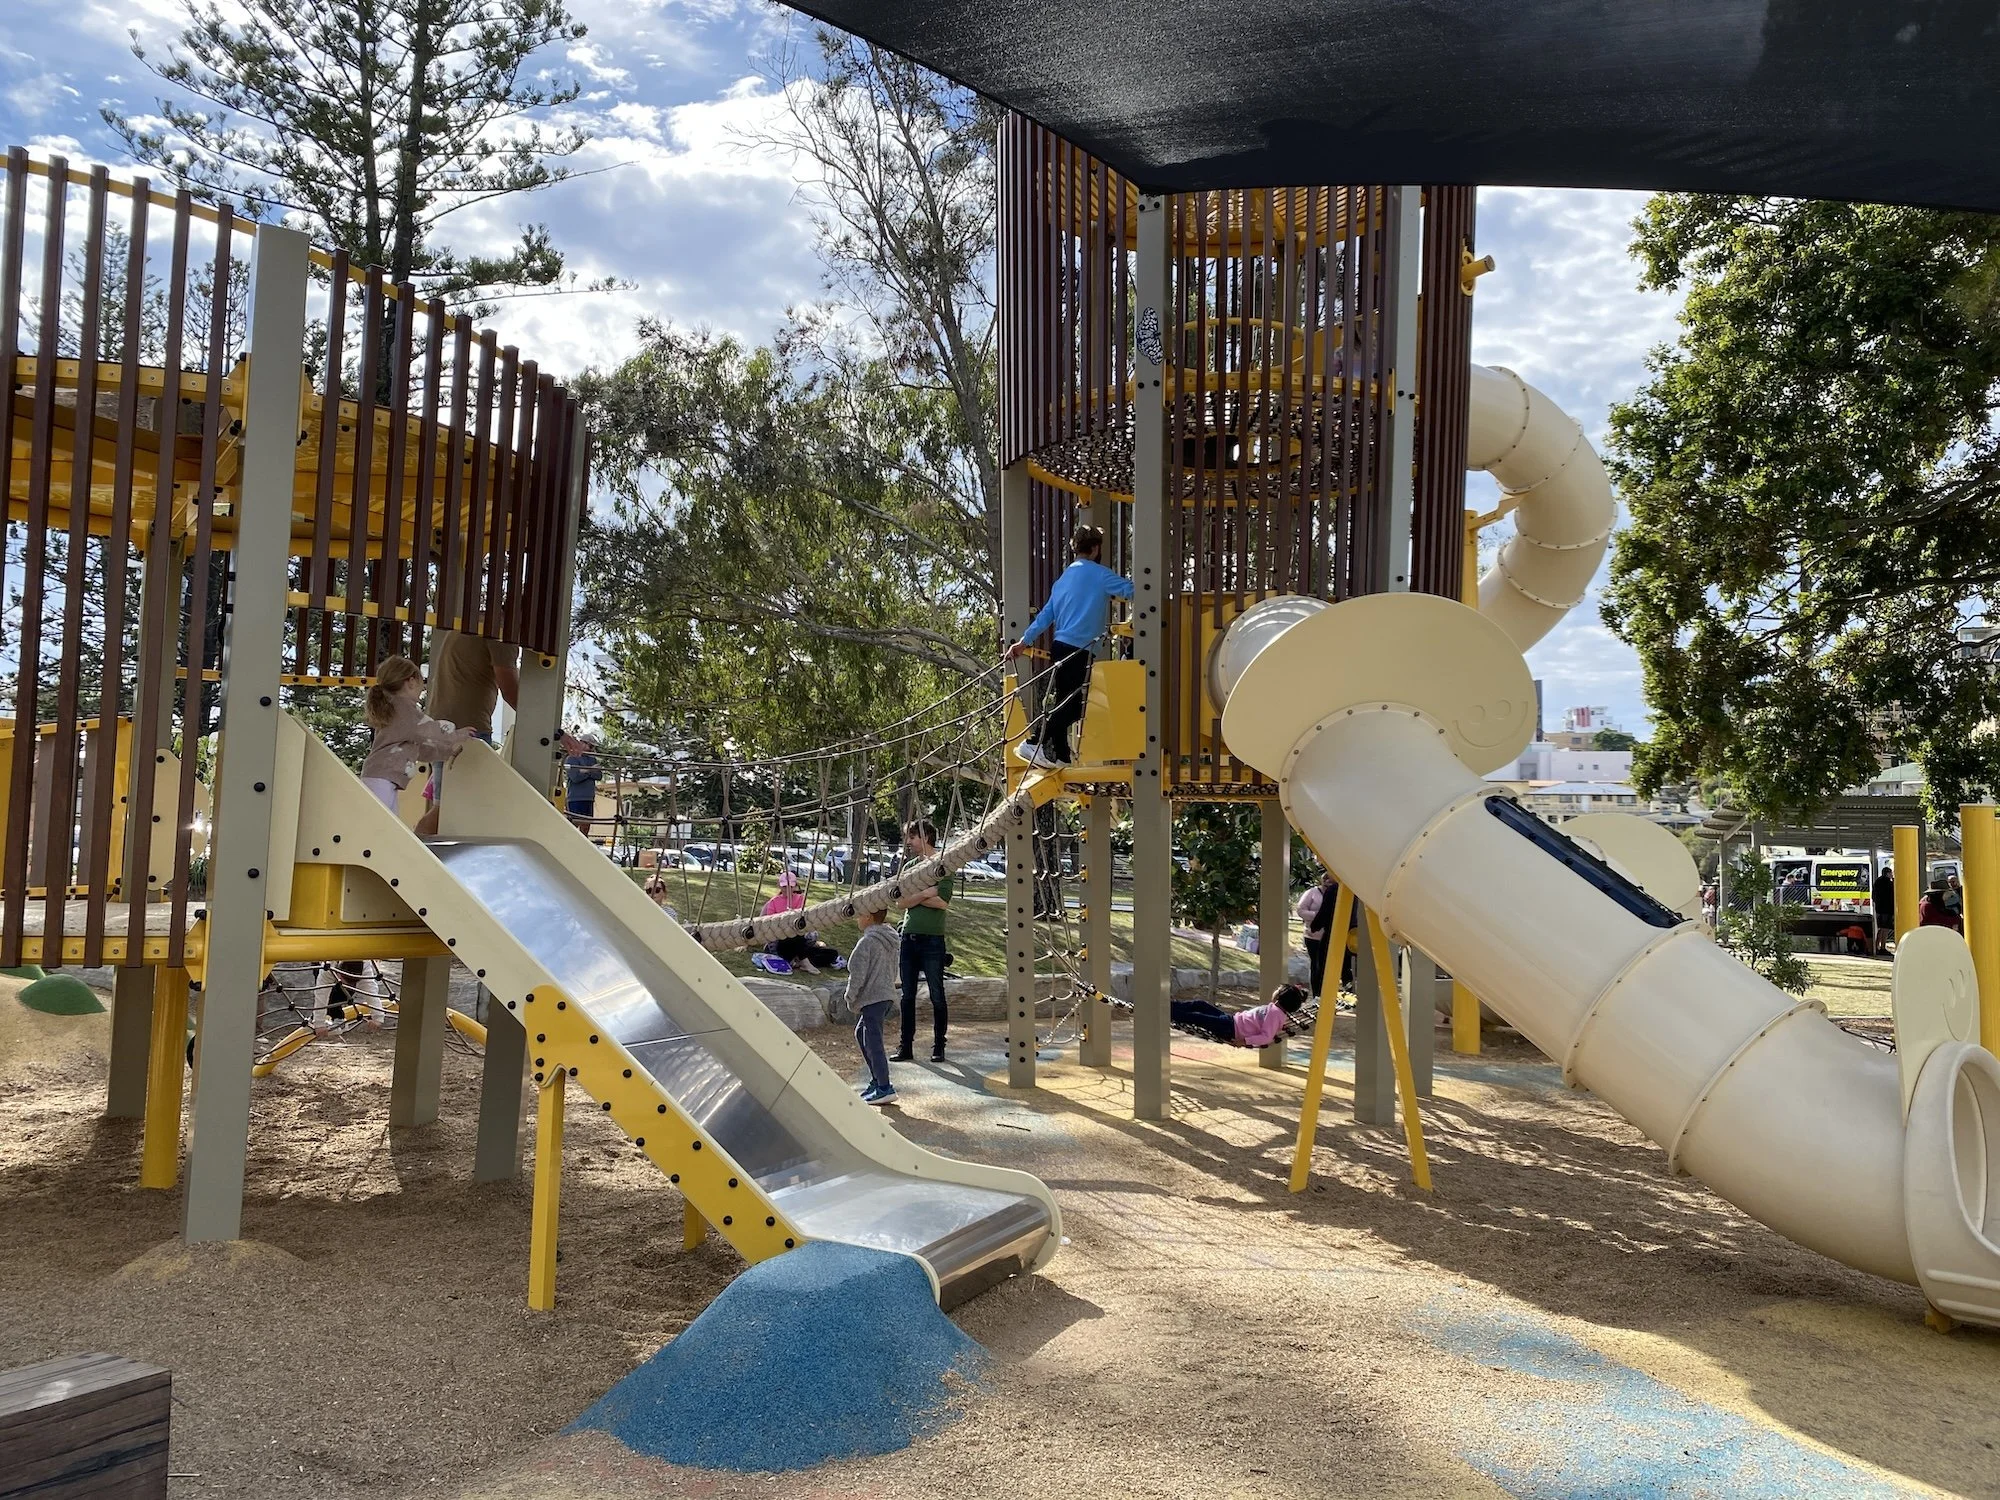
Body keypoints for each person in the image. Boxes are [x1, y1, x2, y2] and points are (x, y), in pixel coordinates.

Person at [1004, 524, 1133, 769]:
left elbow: (1045, 616)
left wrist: (1023, 642)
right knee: (1073, 708)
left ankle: (1062, 757)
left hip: (1060, 647)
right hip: (1079, 649)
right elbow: (1132, 591)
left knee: (1063, 700)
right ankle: (1033, 742)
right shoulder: (1100, 574)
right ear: (1095, 548)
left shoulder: (1062, 580)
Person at [360, 655, 475, 813]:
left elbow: (419, 749)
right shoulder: (404, 710)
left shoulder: (394, 710)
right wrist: (456, 735)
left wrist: (447, 752)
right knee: (380, 822)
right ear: (411, 681)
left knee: (387, 823)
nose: (422, 690)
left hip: (381, 776)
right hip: (381, 778)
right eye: (422, 684)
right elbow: (428, 729)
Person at [892, 819, 952, 1062]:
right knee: (907, 995)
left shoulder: (944, 864)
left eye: (912, 837)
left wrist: (914, 896)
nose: (908, 842)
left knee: (937, 993)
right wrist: (927, 892)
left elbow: (943, 902)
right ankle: (905, 1046)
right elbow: (900, 902)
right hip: (909, 937)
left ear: (926, 837)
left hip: (932, 940)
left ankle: (939, 1046)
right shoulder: (910, 867)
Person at [1114, 983, 1309, 1047]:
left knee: (1197, 1017)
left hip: (1231, 1029)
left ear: (1280, 996)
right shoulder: (1278, 1013)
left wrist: (1244, 1041)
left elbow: (1266, 1036)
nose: (1274, 991)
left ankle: (1162, 1011)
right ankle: (1166, 1005)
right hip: (1231, 1020)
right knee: (1200, 1005)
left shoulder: (1276, 1012)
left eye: (1277, 990)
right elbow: (1271, 1027)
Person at [844, 907, 901, 1105]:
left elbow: (857, 974)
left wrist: (850, 997)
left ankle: (884, 1087)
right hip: (885, 995)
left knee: (873, 1040)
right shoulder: (891, 940)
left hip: (872, 997)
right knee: (862, 1033)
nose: (857, 919)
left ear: (868, 917)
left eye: (859, 915)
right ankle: (877, 1080)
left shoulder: (866, 942)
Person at [758, 871, 840, 974]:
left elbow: (801, 920)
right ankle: (804, 961)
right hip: (781, 941)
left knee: (832, 954)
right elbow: (770, 924)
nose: (787, 890)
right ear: (779, 886)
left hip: (798, 940)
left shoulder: (800, 899)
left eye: (790, 887)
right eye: (784, 887)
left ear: (795, 886)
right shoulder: (773, 902)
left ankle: (798, 960)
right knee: (793, 934)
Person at [563, 731, 599, 835]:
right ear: (582, 743)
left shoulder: (592, 760)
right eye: (590, 746)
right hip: (575, 798)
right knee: (573, 826)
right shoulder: (572, 758)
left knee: (586, 826)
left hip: (589, 798)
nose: (592, 749)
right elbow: (575, 777)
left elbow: (598, 775)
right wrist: (590, 770)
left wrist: (584, 771)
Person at [1872, 865, 1895, 954]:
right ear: (1887, 873)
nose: (1892, 875)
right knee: (1885, 928)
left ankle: (1876, 946)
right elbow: (1892, 895)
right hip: (1887, 909)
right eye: (1891, 873)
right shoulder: (1889, 883)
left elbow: (1874, 896)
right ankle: (1882, 947)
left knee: (1880, 928)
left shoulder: (1877, 882)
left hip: (1879, 908)